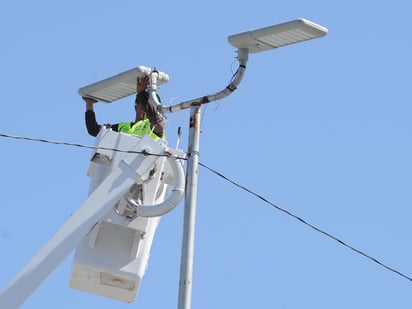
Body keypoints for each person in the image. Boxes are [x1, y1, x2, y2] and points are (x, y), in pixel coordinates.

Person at [84, 74, 165, 140]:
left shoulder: (154, 126)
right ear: (136, 106)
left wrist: (141, 93)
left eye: (150, 103)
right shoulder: (123, 127)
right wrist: (89, 103)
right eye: (142, 102)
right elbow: (94, 130)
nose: (144, 106)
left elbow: (156, 123)